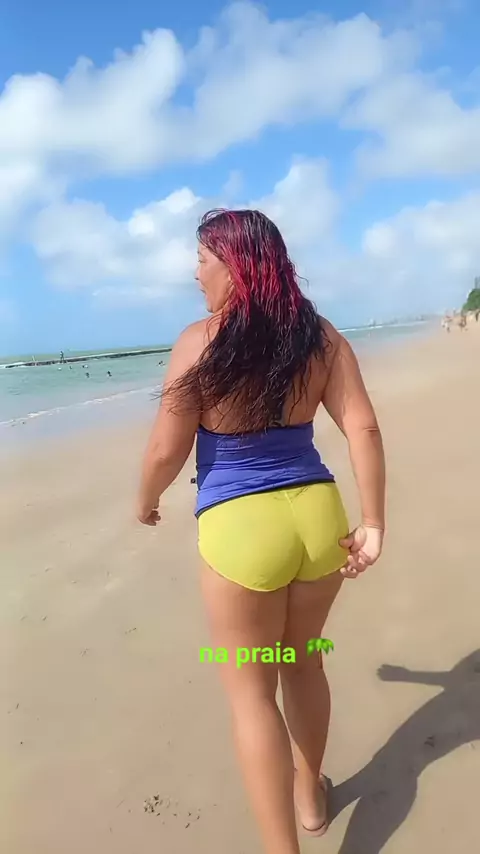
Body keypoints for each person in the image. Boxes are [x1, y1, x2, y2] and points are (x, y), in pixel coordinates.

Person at [136, 209, 386, 854]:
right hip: (319, 519)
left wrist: (145, 501)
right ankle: (310, 797)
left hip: (243, 529)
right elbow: (362, 426)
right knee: (303, 660)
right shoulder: (319, 335)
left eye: (203, 260)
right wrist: (373, 522)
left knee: (251, 694)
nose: (195, 274)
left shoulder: (200, 341)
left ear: (235, 265)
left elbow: (166, 449)